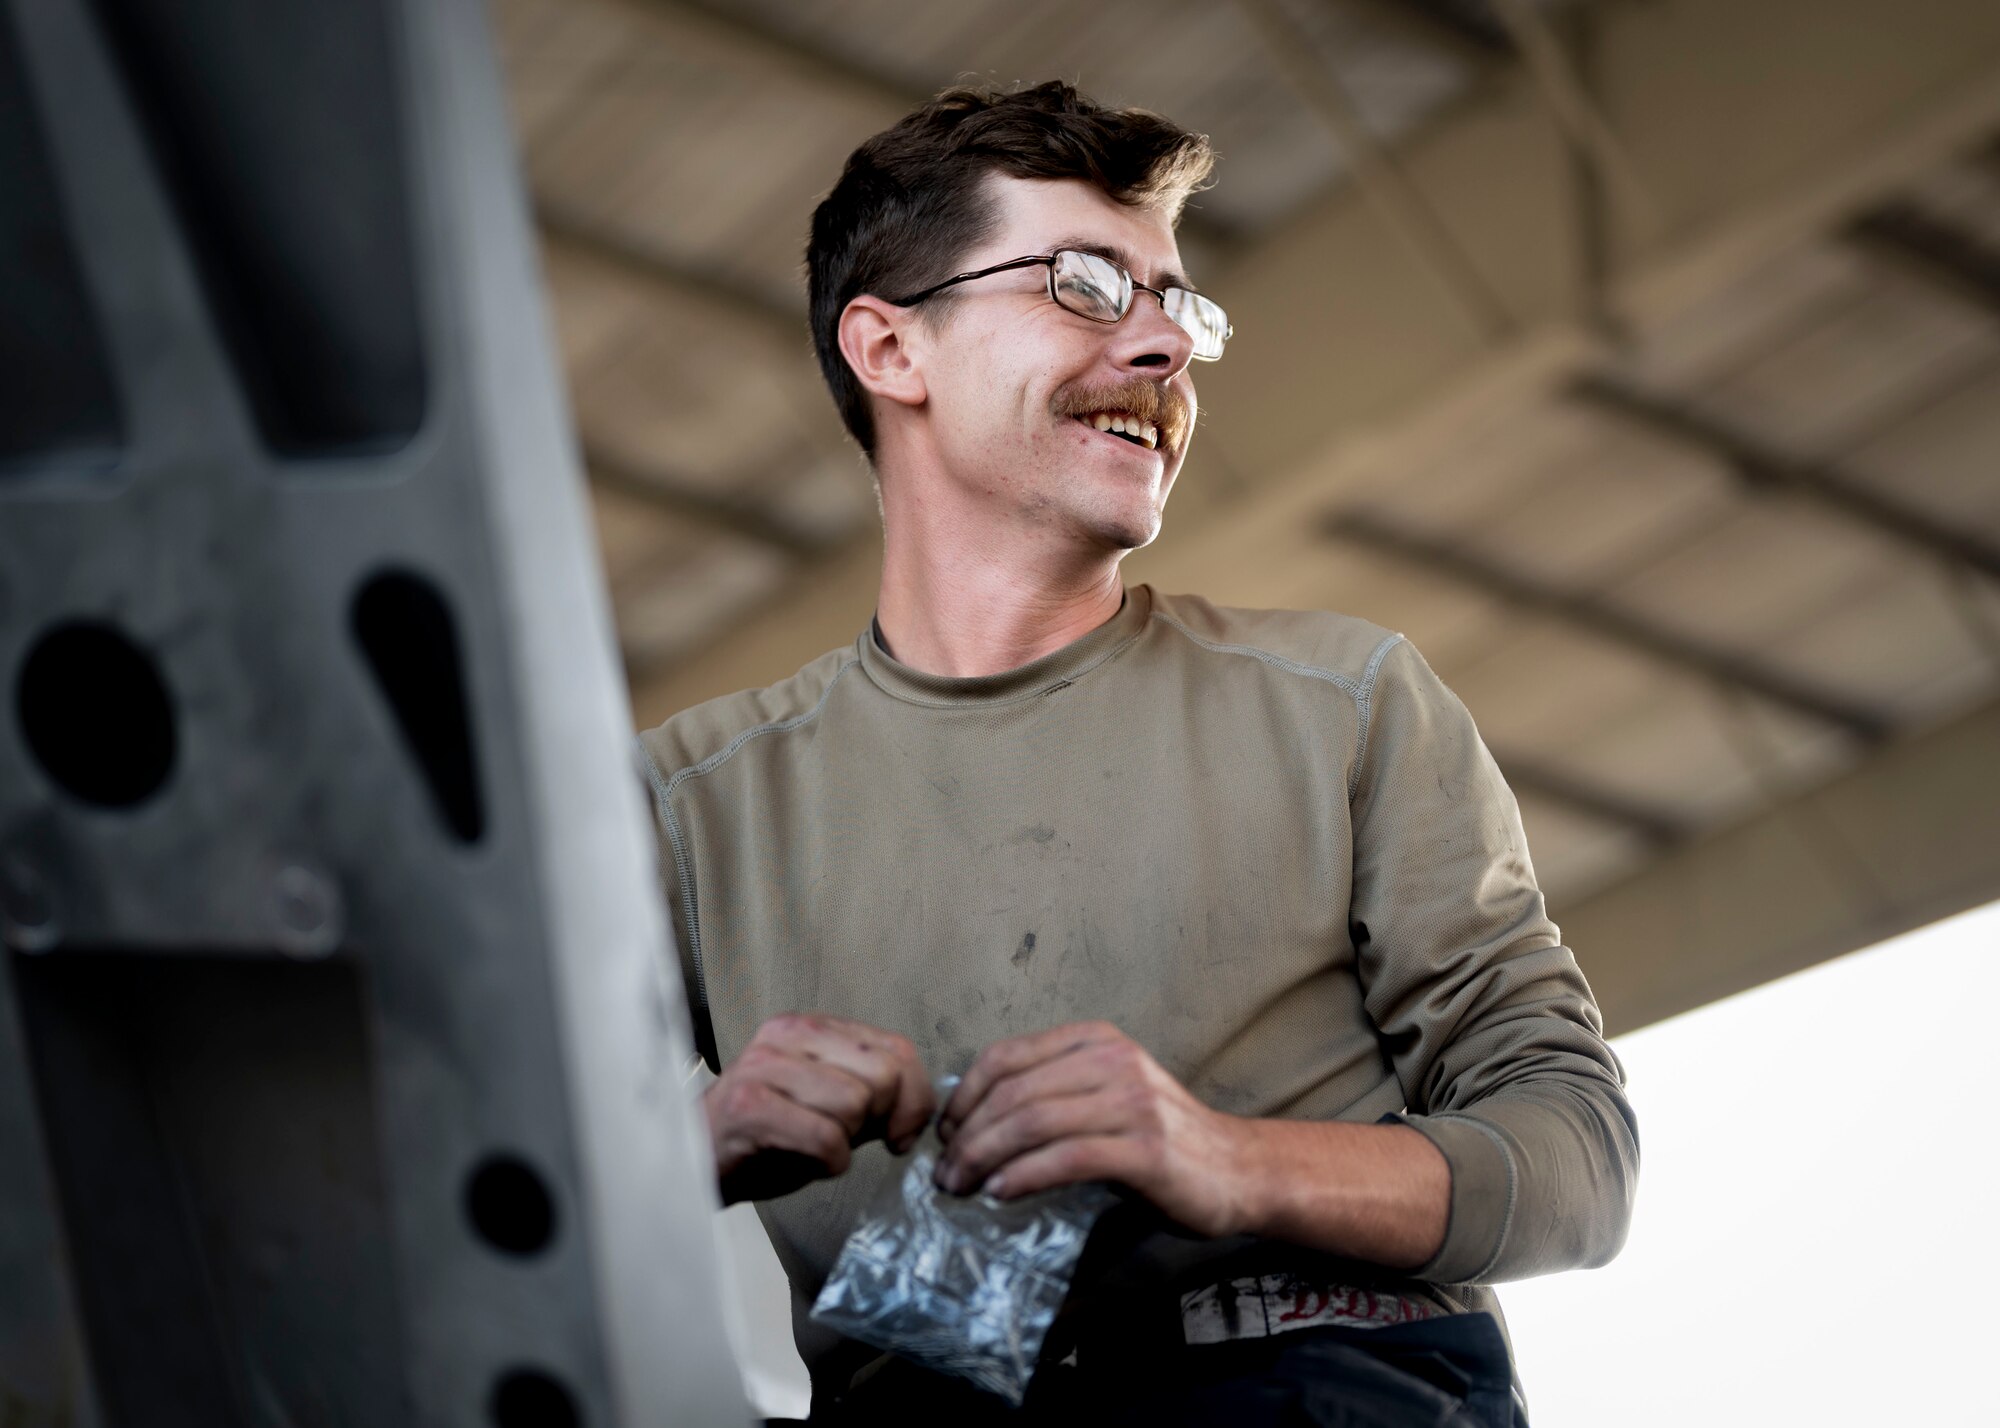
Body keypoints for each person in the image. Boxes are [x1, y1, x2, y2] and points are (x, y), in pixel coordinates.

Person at [636, 81, 1637, 1425]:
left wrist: (1228, 1160)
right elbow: (416, 1214)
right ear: (890, 350)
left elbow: (1579, 1163)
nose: (1169, 345)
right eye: (1089, 286)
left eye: (1178, 302)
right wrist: (685, 1149)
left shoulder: (1344, 702)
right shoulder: (683, 806)